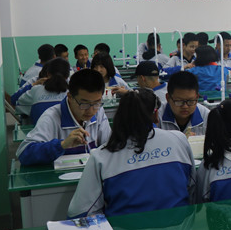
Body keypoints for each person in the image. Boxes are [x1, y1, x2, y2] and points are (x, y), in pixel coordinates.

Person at [67, 88, 196, 218]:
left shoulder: (102, 156)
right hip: (179, 227)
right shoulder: (179, 140)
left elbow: (80, 211)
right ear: (156, 115)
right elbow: (193, 188)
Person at [16, 69, 111, 166]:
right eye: (84, 104)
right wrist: (61, 145)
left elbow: (110, 146)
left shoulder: (99, 111)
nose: (91, 111)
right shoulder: (51, 117)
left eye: (96, 103)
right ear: (70, 97)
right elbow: (24, 153)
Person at [14, 57, 70, 122]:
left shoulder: (35, 90)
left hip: (40, 128)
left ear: (48, 74)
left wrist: (33, 85)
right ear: (67, 76)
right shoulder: (72, 93)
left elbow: (17, 104)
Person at [158, 71, 210, 136]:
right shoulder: (157, 116)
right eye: (179, 101)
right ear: (168, 98)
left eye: (190, 101)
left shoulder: (207, 117)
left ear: (197, 98)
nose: (185, 106)